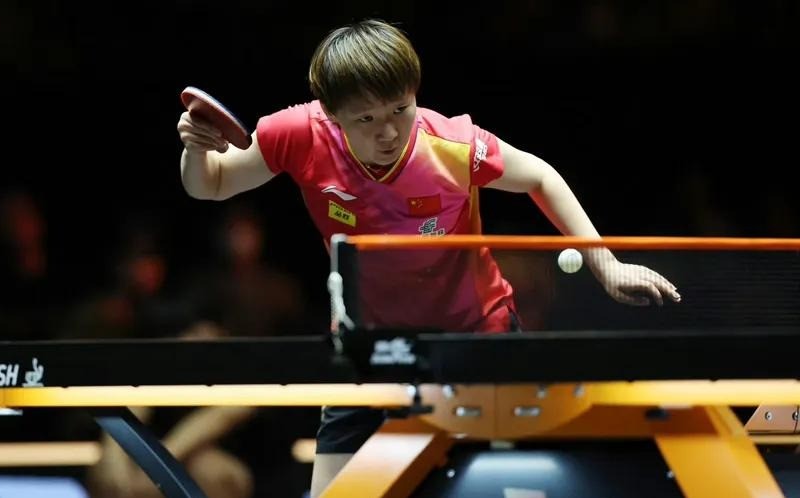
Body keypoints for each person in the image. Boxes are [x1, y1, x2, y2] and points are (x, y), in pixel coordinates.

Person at [176, 19, 681, 496]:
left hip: (475, 336)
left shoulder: (452, 145)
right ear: (330, 113)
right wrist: (196, 150)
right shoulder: (298, 134)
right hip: (370, 347)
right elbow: (212, 184)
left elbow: (539, 176)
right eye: (366, 119)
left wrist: (605, 263)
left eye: (400, 109)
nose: (389, 132)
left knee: (520, 483)